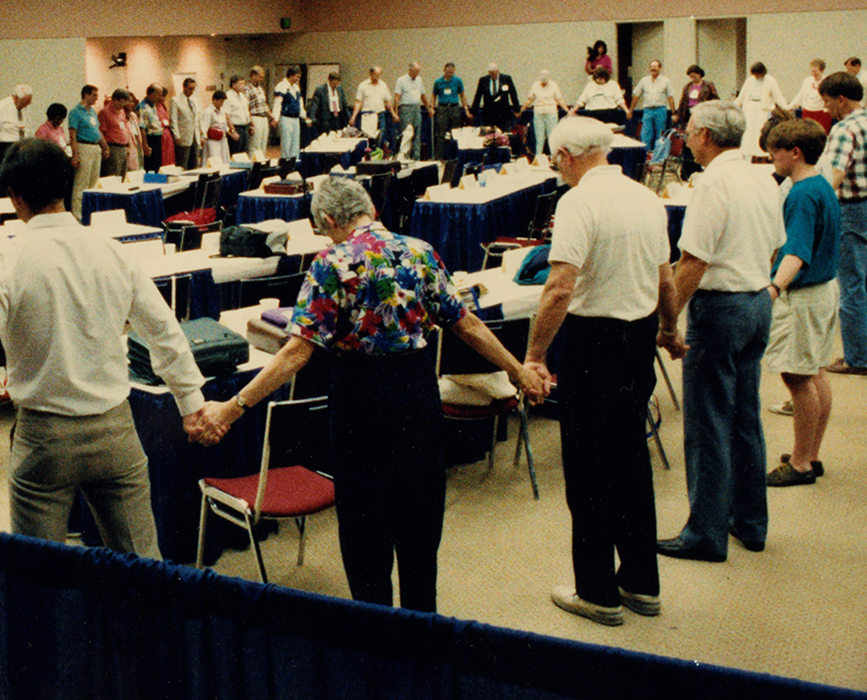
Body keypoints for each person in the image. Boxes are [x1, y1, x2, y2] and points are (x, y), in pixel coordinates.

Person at [196, 175, 544, 611]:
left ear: (327, 219)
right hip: (418, 395)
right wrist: (518, 371)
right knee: (419, 527)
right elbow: (467, 324)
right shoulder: (421, 251)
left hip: (361, 401)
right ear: (370, 209)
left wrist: (230, 409)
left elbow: (294, 354)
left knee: (366, 532)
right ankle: (423, 630)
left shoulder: (332, 262)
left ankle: (376, 638)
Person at [0, 139, 215, 558]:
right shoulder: (114, 252)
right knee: (143, 566)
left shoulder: (4, 261)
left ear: (15, 196)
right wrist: (190, 402)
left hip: (44, 438)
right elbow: (165, 332)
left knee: (41, 579)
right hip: (115, 430)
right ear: (66, 184)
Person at [525, 117, 677, 626]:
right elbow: (665, 278)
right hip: (638, 338)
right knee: (631, 460)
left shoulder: (577, 202)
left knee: (588, 470)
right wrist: (670, 329)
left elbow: (560, 288)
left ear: (567, 154)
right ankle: (640, 581)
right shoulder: (644, 198)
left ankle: (597, 592)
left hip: (595, 343)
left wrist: (535, 356)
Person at [655, 101, 782, 564]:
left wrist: (667, 324)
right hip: (755, 302)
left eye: (689, 131)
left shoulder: (712, 182)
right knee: (745, 418)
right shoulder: (762, 176)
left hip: (721, 308)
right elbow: (774, 247)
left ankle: (705, 533)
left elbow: (693, 263)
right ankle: (750, 521)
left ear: (706, 135)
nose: (685, 138)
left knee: (708, 422)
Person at [761, 115, 842, 487]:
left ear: (794, 152)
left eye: (775, 152)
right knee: (816, 371)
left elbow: (797, 252)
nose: (771, 159)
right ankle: (811, 452)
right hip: (825, 290)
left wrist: (774, 288)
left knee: (796, 377)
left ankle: (799, 463)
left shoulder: (800, 194)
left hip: (804, 296)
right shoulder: (822, 185)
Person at [816, 72, 867, 376]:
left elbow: (834, 176)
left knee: (850, 285)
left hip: (855, 210)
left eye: (826, 101)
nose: (824, 108)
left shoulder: (844, 129)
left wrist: (818, 209)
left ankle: (855, 358)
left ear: (840, 99)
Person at [737, 62, 791, 158]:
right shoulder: (749, 80)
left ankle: (761, 154)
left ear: (762, 73)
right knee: (749, 132)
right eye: (754, 74)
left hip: (762, 110)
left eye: (758, 74)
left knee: (760, 131)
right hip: (750, 108)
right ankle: (747, 154)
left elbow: (777, 96)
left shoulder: (770, 80)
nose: (756, 76)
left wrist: (786, 108)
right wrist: (734, 107)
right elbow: (741, 96)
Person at [67, 88, 103, 214]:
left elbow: (97, 131)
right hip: (84, 146)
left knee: (93, 183)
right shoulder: (75, 112)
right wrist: (75, 154)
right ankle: (78, 214)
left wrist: (104, 146)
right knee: (82, 183)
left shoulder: (92, 112)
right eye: (94, 95)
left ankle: (89, 212)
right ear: (86, 95)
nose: (96, 98)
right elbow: (72, 134)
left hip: (95, 147)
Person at [632, 61, 677, 157]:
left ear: (660, 68)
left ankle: (658, 157)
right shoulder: (644, 81)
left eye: (655, 66)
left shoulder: (666, 81)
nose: (653, 68)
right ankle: (644, 156)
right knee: (645, 134)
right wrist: (630, 109)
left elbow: (670, 97)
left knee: (660, 134)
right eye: (651, 66)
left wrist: (674, 112)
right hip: (647, 110)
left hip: (661, 110)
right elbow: (636, 95)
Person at [0, 84, 34, 168]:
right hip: (5, 149)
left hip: (21, 148)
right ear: (16, 98)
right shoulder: (1, 107)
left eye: (27, 104)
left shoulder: (24, 108)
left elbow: (29, 129)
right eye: (23, 103)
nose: (25, 106)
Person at [523, 70, 565, 159]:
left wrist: (567, 110)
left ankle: (554, 157)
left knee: (552, 135)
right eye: (542, 76)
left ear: (549, 77)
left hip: (551, 112)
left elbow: (559, 99)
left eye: (546, 76)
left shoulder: (554, 85)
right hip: (538, 112)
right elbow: (529, 99)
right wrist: (521, 110)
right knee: (539, 137)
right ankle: (538, 157)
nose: (544, 77)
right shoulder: (535, 85)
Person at [393, 62, 430, 159]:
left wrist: (428, 108)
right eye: (415, 71)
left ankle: (416, 157)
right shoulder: (401, 80)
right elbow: (397, 97)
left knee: (417, 133)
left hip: (416, 108)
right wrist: (395, 113)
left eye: (418, 72)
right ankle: (405, 157)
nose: (416, 74)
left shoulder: (419, 80)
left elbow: (423, 95)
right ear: (410, 70)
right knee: (406, 133)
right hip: (405, 108)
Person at [100, 89, 138, 177]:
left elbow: (124, 128)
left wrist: (128, 145)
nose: (123, 105)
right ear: (114, 100)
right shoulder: (105, 112)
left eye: (124, 103)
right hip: (113, 147)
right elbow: (100, 131)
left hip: (124, 147)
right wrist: (105, 148)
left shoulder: (122, 111)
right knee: (114, 174)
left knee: (123, 175)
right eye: (121, 102)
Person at [472, 62, 520, 131]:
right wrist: (473, 111)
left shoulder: (506, 79)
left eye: (495, 74)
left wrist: (517, 109)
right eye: (491, 74)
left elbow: (513, 94)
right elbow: (478, 96)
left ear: (498, 71)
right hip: (489, 114)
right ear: (489, 72)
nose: (493, 76)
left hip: (503, 113)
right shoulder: (483, 80)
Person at [276, 67, 310, 159]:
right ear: (291, 75)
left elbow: (300, 104)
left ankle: (294, 164)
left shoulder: (296, 88)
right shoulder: (281, 86)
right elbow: (277, 103)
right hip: (286, 118)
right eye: (297, 77)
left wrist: (304, 117)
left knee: (295, 144)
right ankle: (285, 164)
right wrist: (275, 119)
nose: (298, 79)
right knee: (286, 144)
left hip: (295, 119)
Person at [432, 62, 468, 146]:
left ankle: (455, 155)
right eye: (448, 72)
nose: (449, 74)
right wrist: (432, 108)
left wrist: (466, 108)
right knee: (441, 133)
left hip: (454, 107)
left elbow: (462, 95)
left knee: (455, 132)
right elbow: (434, 96)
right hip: (442, 108)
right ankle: (439, 156)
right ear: (444, 71)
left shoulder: (458, 81)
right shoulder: (438, 82)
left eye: (451, 73)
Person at [172, 78, 204, 170]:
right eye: (190, 89)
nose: (192, 91)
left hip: (195, 136)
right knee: (183, 164)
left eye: (193, 89)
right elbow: (173, 120)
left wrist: (203, 134)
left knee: (195, 164)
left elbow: (199, 118)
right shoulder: (175, 100)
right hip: (183, 136)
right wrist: (176, 136)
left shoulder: (196, 100)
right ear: (184, 87)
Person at [793, 59, 833, 131]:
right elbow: (800, 95)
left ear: (822, 70)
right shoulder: (807, 80)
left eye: (816, 71)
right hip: (807, 112)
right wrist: (789, 107)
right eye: (812, 71)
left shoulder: (827, 81)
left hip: (822, 113)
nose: (814, 73)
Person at [355, 66, 393, 138]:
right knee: (368, 136)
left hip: (380, 114)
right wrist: (354, 116)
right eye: (376, 74)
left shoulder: (383, 85)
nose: (378, 76)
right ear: (371, 73)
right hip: (368, 115)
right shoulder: (363, 85)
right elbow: (358, 102)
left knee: (381, 135)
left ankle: (379, 149)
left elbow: (388, 101)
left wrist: (393, 114)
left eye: (379, 74)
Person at [226, 76, 257, 160]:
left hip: (245, 127)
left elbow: (247, 111)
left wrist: (251, 125)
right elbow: (227, 115)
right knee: (236, 153)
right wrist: (232, 131)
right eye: (241, 84)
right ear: (233, 85)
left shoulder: (242, 96)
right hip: (236, 127)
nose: (243, 86)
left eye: (244, 83)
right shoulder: (228, 96)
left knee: (244, 152)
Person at [139, 85, 168, 171]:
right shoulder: (143, 107)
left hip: (157, 137)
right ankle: (152, 183)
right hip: (150, 139)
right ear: (151, 94)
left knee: (157, 165)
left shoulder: (153, 105)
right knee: (150, 166)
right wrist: (145, 145)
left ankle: (158, 183)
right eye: (158, 95)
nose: (160, 97)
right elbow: (142, 127)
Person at [245, 66, 272, 161]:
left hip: (264, 118)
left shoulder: (260, 88)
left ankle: (261, 164)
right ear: (253, 75)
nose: (262, 79)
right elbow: (246, 107)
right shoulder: (247, 88)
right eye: (260, 77)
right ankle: (253, 166)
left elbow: (264, 105)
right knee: (254, 145)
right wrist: (251, 123)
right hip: (255, 117)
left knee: (263, 144)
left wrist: (272, 117)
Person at [205, 89, 234, 169]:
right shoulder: (208, 111)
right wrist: (203, 138)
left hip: (222, 139)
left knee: (224, 159)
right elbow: (205, 127)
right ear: (214, 100)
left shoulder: (222, 111)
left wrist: (231, 134)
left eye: (223, 102)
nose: (221, 104)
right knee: (214, 159)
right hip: (213, 140)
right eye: (220, 101)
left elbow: (225, 126)